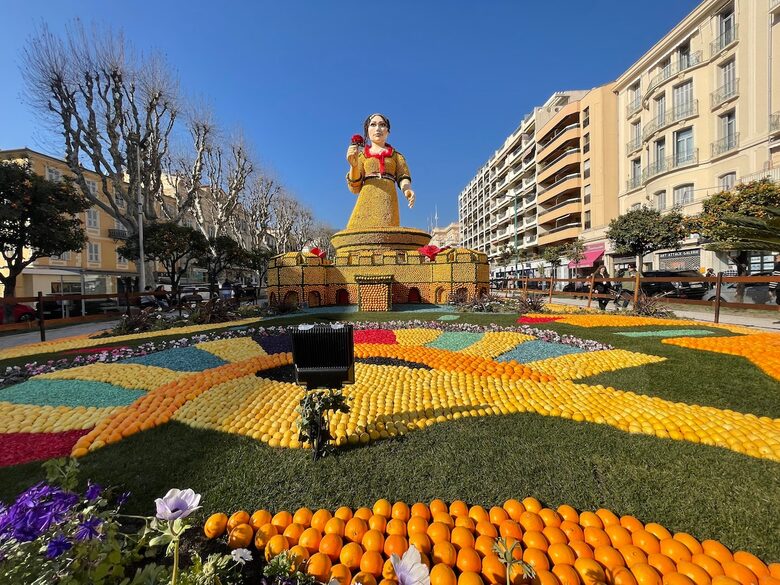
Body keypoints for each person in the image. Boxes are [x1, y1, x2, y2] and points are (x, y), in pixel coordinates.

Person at [345, 113, 415, 230]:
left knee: (387, 235)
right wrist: (353, 166)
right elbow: (355, 188)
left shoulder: (396, 156)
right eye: (373, 125)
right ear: (367, 131)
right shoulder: (362, 156)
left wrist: (407, 190)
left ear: (388, 131)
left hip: (388, 202)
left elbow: (403, 175)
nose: (378, 129)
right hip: (365, 203)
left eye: (382, 125)